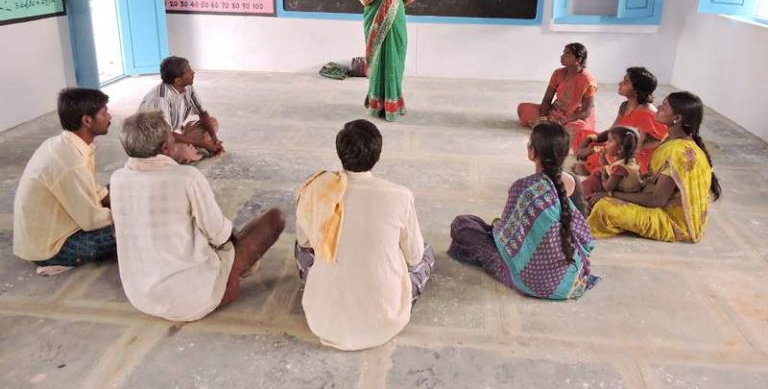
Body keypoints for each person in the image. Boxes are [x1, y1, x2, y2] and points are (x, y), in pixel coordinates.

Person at [110, 111, 285, 321]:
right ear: (167, 147)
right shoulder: (187, 178)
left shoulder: (118, 178)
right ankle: (228, 279)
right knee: (274, 219)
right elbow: (218, 235)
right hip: (192, 299)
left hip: (141, 297)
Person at [295, 119, 434, 350]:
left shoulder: (316, 190)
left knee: (302, 248)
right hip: (383, 322)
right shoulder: (399, 196)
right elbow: (414, 257)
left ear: (340, 152)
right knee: (426, 253)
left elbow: (304, 242)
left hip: (323, 321)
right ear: (377, 155)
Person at [448, 123, 598, 301]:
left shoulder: (523, 188)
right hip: (570, 278)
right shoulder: (574, 182)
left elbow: (504, 238)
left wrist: (499, 226)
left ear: (532, 152)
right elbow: (581, 234)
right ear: (564, 154)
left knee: (464, 225)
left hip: (533, 282)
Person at [588, 92, 722, 243]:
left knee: (604, 208)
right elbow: (654, 178)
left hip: (673, 222)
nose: (658, 107)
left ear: (677, 118)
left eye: (664, 107)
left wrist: (612, 194)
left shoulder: (677, 152)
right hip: (658, 200)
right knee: (600, 180)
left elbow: (657, 200)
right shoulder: (671, 139)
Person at [13, 88, 115, 270]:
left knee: (120, 187)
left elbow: (93, 187)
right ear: (87, 120)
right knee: (131, 228)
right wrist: (129, 213)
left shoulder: (67, 144)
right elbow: (93, 220)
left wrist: (117, 200)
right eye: (104, 112)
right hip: (51, 247)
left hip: (57, 225)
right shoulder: (70, 162)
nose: (110, 116)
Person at [356, 0, 415, 121]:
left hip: (395, 22)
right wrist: (364, 0)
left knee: (394, 61)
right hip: (373, 20)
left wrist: (392, 8)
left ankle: (392, 104)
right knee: (377, 60)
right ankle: (376, 104)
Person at [573, 67, 667, 175]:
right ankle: (593, 163)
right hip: (617, 145)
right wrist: (590, 139)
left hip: (633, 155)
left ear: (637, 91)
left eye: (626, 82)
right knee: (581, 135)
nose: (620, 83)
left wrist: (595, 149)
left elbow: (664, 140)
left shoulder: (649, 114)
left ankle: (595, 169)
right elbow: (613, 131)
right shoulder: (625, 105)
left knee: (603, 164)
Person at [139, 55, 223, 163]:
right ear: (178, 80)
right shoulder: (162, 99)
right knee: (184, 153)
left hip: (173, 134)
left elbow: (202, 113)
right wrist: (203, 144)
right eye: (188, 71)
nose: (193, 72)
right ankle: (190, 148)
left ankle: (193, 145)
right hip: (156, 143)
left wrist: (215, 139)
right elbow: (166, 135)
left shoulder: (187, 87)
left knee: (212, 123)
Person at [517, 43, 598, 150]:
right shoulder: (558, 73)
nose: (562, 56)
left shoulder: (588, 80)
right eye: (563, 52)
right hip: (555, 112)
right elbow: (547, 99)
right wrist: (543, 118)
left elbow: (586, 111)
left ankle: (554, 130)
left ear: (578, 59)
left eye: (567, 53)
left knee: (581, 129)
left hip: (576, 117)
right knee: (523, 108)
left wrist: (567, 120)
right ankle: (555, 130)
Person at [581, 126, 642, 209]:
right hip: (628, 192)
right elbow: (610, 170)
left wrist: (603, 171)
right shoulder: (630, 160)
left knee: (594, 179)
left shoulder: (620, 167)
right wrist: (603, 162)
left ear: (620, 149)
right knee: (595, 175)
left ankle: (583, 202)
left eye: (609, 141)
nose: (606, 143)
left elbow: (608, 187)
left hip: (624, 199)